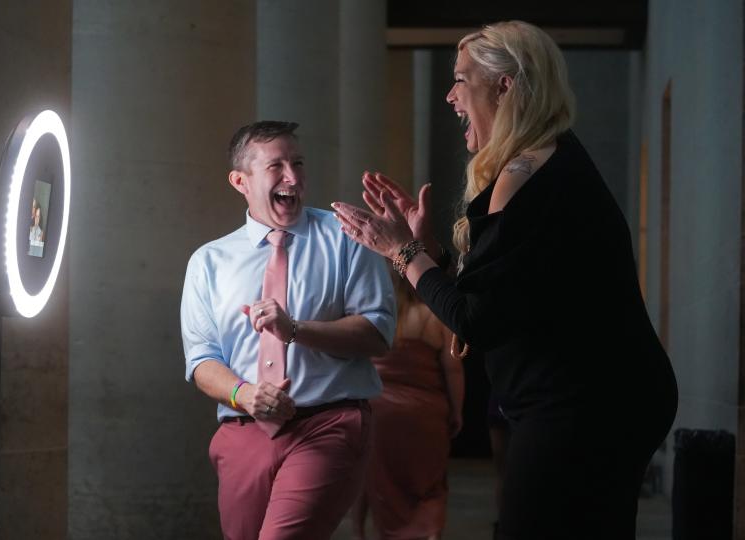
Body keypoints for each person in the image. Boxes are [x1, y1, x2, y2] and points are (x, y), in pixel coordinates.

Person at [332, 20, 677, 540]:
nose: (451, 96)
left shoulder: (524, 176)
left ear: (505, 86)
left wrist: (401, 252)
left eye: (461, 80)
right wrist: (428, 253)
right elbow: (506, 290)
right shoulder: (550, 159)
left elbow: (478, 319)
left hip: (582, 407)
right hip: (605, 398)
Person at [181, 121, 396, 539]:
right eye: (276, 166)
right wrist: (245, 395)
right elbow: (202, 359)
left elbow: (378, 333)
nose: (293, 178)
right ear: (240, 181)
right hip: (243, 431)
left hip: (328, 423)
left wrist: (295, 329)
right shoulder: (208, 262)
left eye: (297, 163)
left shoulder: (348, 237)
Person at [353, 272, 464, 540]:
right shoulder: (435, 317)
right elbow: (454, 371)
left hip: (379, 411)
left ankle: (360, 533)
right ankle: (430, 533)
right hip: (426, 414)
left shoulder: (375, 321)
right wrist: (457, 410)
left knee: (372, 479)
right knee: (429, 480)